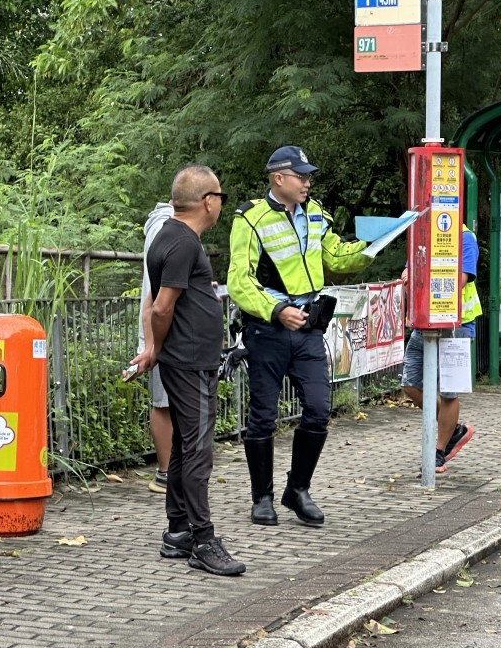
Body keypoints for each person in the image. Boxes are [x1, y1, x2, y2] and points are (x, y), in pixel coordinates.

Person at [227, 145, 374, 527]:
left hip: (308, 328)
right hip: (267, 330)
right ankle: (262, 499)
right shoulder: (251, 219)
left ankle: (298, 490)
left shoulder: (315, 214)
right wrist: (276, 310)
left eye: (309, 176)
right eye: (301, 176)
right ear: (279, 178)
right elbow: (238, 281)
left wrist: (376, 246)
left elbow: (338, 256)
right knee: (262, 417)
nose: (308, 182)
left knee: (318, 408)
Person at [129, 164, 245, 576]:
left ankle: (177, 531)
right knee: (198, 451)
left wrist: (155, 349)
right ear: (207, 202)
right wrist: (155, 348)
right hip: (190, 361)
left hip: (184, 359)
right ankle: (202, 539)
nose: (220, 205)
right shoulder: (182, 243)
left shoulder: (169, 237)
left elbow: (158, 304)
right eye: (220, 197)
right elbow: (161, 306)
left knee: (182, 447)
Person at [400, 223, 483, 474]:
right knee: (410, 384)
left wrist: (421, 284)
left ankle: (439, 450)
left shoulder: (465, 238)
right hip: (424, 322)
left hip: (457, 322)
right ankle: (454, 430)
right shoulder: (423, 234)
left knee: (449, 391)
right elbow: (407, 273)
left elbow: (460, 280)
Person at [137, 201, 175, 494]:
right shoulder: (166, 227)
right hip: (163, 332)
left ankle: (173, 470)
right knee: (163, 402)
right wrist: (151, 343)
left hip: (164, 332)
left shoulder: (167, 226)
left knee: (170, 402)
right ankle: (165, 472)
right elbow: (156, 294)